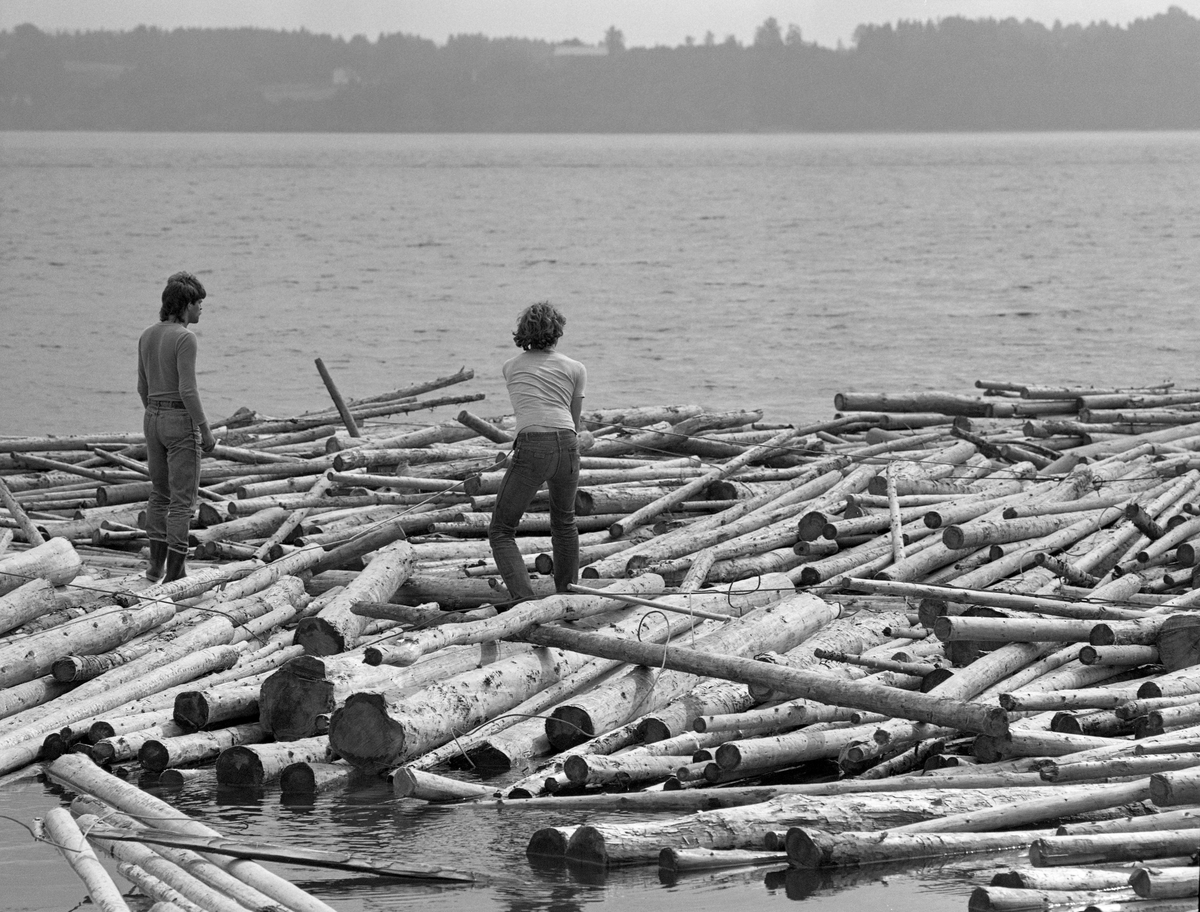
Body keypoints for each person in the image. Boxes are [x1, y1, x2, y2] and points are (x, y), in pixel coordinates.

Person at [488, 302, 591, 607]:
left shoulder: (510, 367)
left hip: (532, 447)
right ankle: (567, 601)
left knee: (501, 529)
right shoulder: (576, 368)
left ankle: (524, 603)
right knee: (564, 523)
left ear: (523, 333)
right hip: (568, 447)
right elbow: (573, 423)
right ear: (558, 331)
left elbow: (531, 403)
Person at [137, 271, 217, 583]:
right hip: (179, 420)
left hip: (153, 417)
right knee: (183, 500)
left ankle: (154, 567)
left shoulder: (147, 335)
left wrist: (154, 416)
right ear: (184, 306)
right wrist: (205, 429)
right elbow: (188, 390)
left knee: (160, 493)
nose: (201, 309)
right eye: (198, 303)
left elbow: (142, 387)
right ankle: (176, 570)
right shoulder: (185, 338)